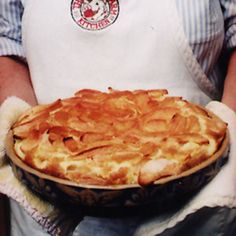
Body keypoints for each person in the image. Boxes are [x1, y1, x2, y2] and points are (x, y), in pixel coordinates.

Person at [0, 0, 236, 235]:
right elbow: (7, 41)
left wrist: (229, 120)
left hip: (197, 205)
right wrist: (27, 131)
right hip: (49, 204)